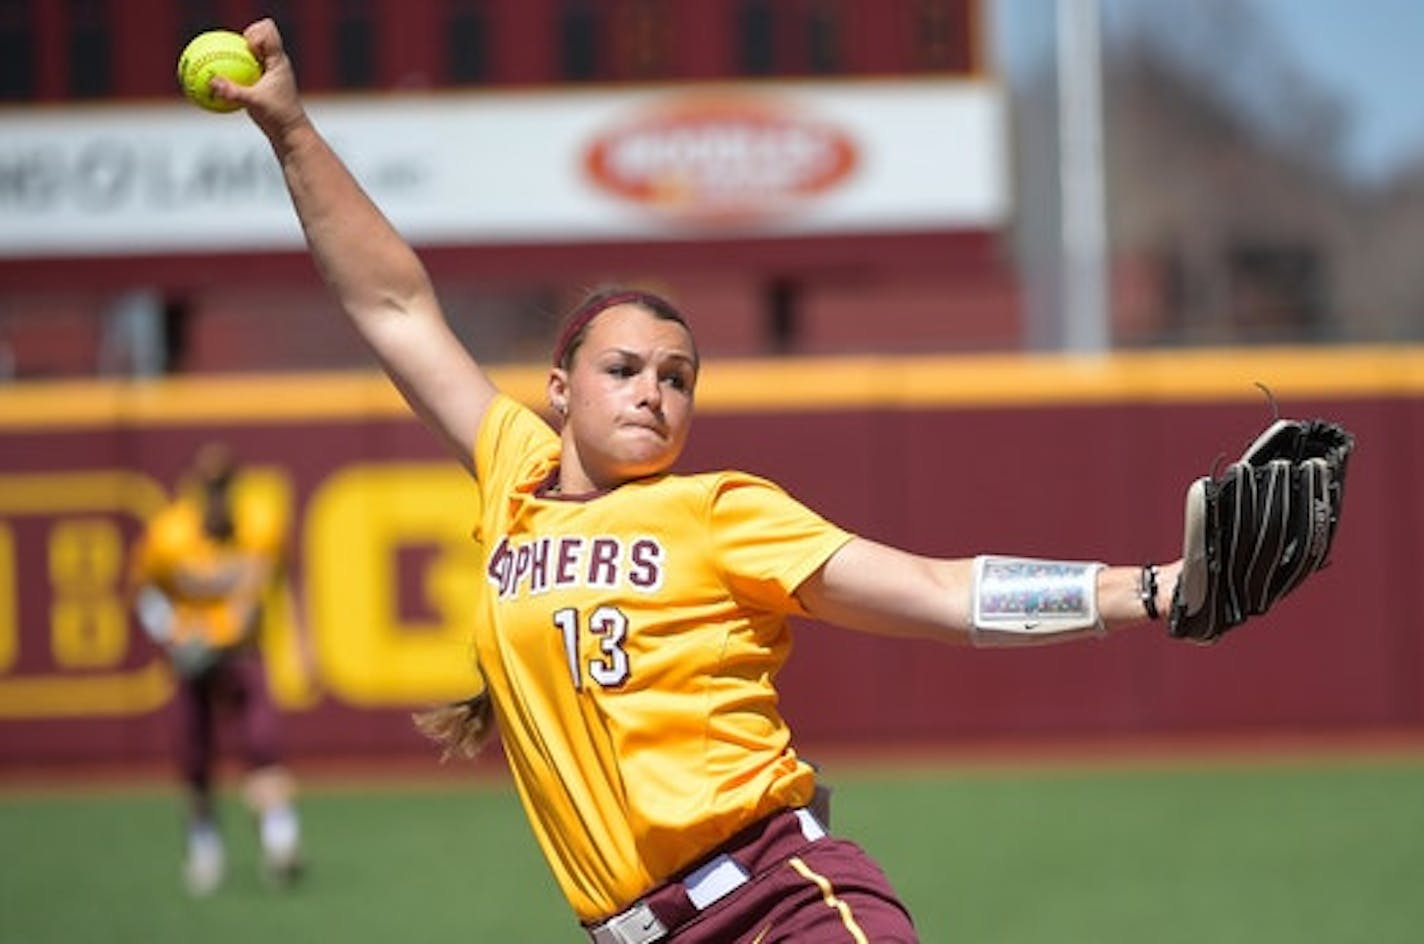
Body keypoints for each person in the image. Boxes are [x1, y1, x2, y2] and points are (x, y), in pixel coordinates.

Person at [223, 18, 1183, 941]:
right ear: (557, 391)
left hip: (781, 904)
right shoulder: (514, 478)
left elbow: (938, 590)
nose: (653, 392)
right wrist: (293, 133)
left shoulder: (718, 512)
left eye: (677, 378)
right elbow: (393, 305)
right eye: (624, 369)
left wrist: (1145, 590)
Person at [128, 441, 305, 896]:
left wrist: (299, 639)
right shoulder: (170, 534)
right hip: (191, 659)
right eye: (211, 486)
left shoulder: (259, 525)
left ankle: (280, 841)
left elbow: (280, 580)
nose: (217, 495)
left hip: (242, 652)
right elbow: (145, 591)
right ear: (194, 489)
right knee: (194, 758)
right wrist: (171, 633)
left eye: (224, 486)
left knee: (263, 746)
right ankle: (205, 848)